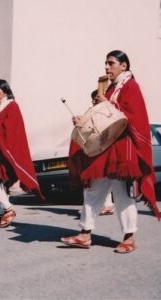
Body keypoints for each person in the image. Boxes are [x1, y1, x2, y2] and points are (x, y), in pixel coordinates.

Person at [61, 50, 160, 253]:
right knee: (92, 192)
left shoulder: (131, 87)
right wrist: (84, 121)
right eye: (105, 63)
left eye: (111, 63)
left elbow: (134, 117)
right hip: (104, 150)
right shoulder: (110, 88)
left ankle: (129, 237)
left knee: (122, 195)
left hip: (122, 151)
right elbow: (102, 118)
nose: (106, 67)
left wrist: (108, 104)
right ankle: (84, 234)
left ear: (123, 66)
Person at [0, 79, 43, 228]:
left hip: (2, 150)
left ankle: (8, 210)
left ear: (5, 90)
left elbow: (12, 129)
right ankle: (1, 215)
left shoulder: (12, 106)